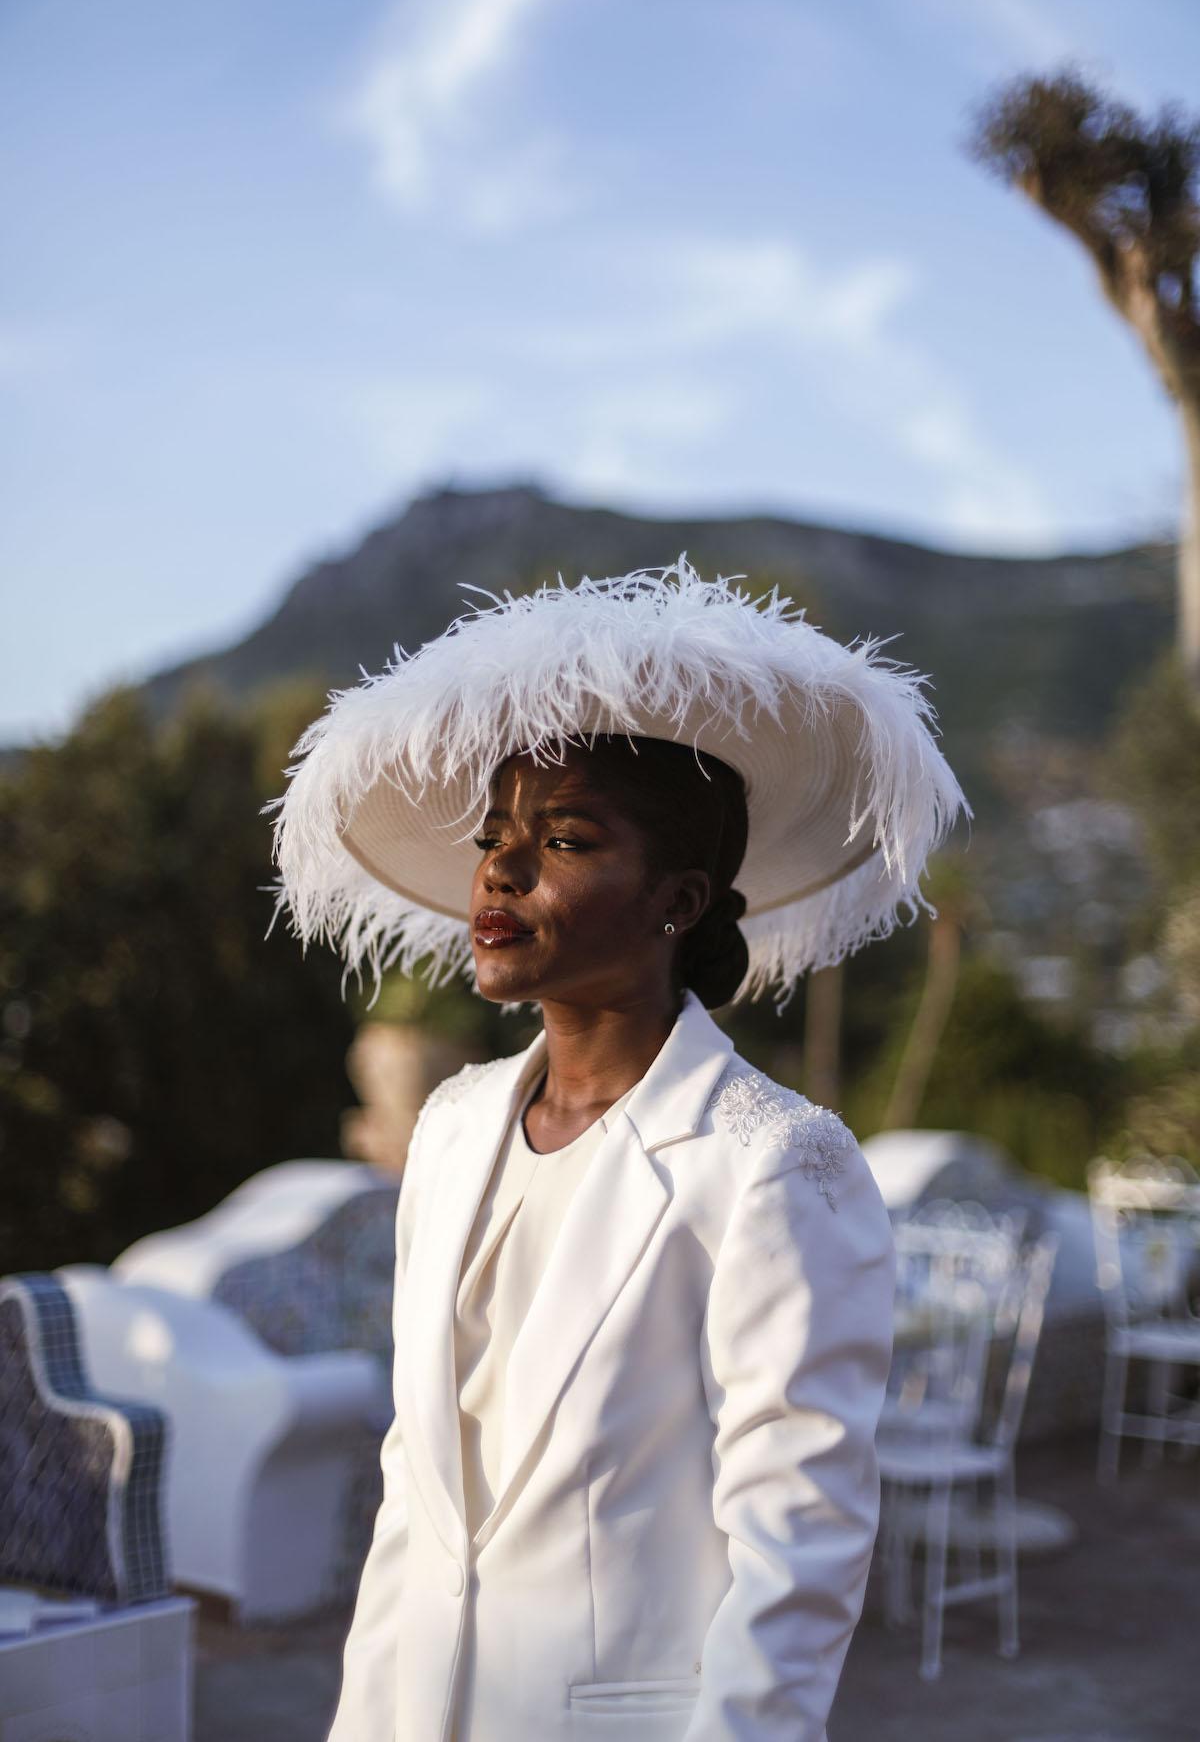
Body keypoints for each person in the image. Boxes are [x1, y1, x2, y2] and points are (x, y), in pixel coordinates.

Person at [274, 562, 967, 1742]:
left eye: (566, 837)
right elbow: (418, 1490)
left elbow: (797, 1558)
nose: (500, 867)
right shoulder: (448, 1130)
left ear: (678, 899)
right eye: (495, 837)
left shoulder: (775, 1165)